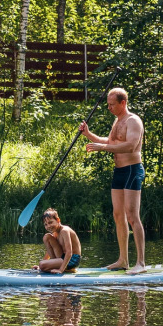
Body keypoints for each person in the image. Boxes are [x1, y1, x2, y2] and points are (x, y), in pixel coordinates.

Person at [80, 87, 146, 272]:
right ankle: (123, 260)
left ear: (122, 103)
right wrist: (88, 134)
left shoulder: (133, 121)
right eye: (108, 104)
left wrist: (102, 148)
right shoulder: (117, 121)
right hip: (119, 172)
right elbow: (110, 142)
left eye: (112, 104)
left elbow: (131, 146)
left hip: (132, 170)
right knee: (118, 215)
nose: (109, 108)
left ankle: (140, 263)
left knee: (132, 216)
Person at [36, 208, 82, 274]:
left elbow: (69, 252)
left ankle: (66, 268)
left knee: (42, 264)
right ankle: (54, 266)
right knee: (47, 237)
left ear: (58, 220)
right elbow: (50, 250)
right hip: (62, 257)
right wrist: (43, 265)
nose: (48, 226)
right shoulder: (55, 232)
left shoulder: (64, 231)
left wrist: (60, 270)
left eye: (50, 222)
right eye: (46, 224)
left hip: (72, 259)